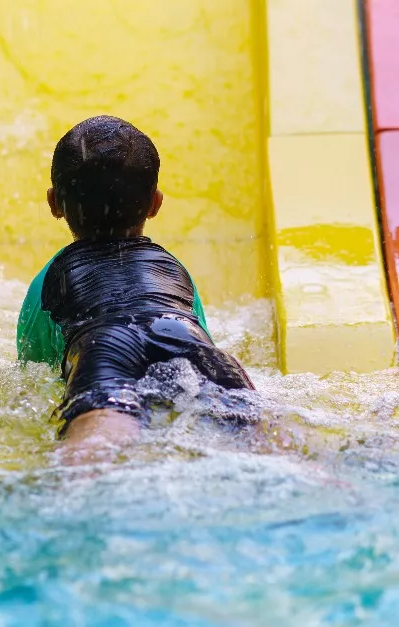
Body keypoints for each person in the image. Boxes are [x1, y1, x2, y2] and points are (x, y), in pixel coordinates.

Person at [17, 115, 255, 458]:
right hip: (184, 334)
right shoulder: (175, 273)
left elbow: (34, 380)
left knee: (92, 456)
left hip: (105, 346)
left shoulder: (46, 284)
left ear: (54, 203)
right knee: (262, 433)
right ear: (156, 203)